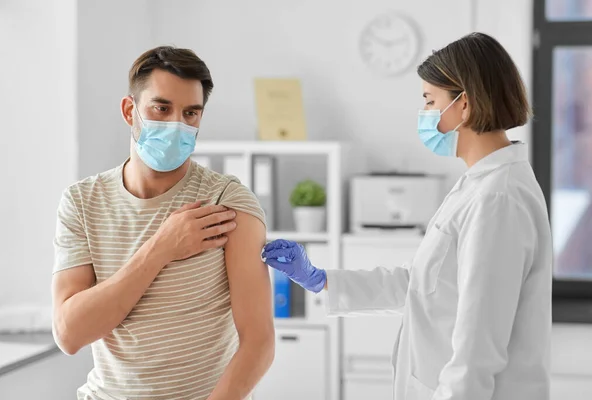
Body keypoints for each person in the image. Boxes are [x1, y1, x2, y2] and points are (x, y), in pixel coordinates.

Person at [263, 32, 553, 400]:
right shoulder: (479, 185)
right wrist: (322, 280)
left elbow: (477, 353)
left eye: (431, 101)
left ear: (465, 104)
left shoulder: (497, 198)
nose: (425, 114)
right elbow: (422, 285)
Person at [51, 46, 274, 400]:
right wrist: (160, 248)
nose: (177, 125)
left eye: (190, 113)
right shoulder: (82, 202)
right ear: (130, 110)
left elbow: (259, 342)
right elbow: (69, 334)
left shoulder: (226, 204)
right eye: (162, 108)